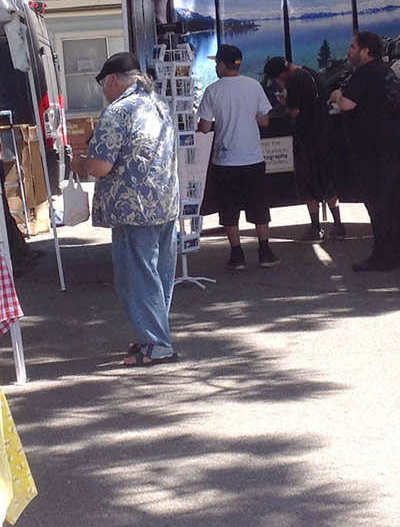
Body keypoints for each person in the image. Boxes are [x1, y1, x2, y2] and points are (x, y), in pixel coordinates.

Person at [70, 52, 180, 367]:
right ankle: (152, 336)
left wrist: (80, 164)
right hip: (164, 202)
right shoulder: (158, 105)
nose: (103, 90)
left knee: (137, 278)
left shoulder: (116, 112)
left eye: (103, 83)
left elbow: (101, 166)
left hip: (133, 207)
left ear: (114, 80)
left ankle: (156, 344)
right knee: (158, 277)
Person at [329, 31, 400, 271]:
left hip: (373, 150)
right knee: (395, 201)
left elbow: (346, 103)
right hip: (393, 145)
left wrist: (336, 94)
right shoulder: (386, 71)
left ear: (365, 51)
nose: (349, 51)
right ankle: (397, 252)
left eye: (353, 47)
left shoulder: (365, 72)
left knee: (378, 202)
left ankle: (382, 255)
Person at [197, 44, 277, 270]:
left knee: (229, 208)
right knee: (259, 205)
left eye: (216, 64)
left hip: (225, 159)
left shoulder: (213, 90)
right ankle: (265, 251)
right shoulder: (253, 86)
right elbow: (264, 120)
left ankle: (237, 255)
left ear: (222, 65)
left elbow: (204, 127)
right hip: (253, 157)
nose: (215, 67)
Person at [264, 57, 344, 242]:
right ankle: (338, 224)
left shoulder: (293, 80)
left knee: (307, 183)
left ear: (281, 75)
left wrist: (283, 102)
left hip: (306, 138)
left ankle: (315, 227)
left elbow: (294, 111)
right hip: (323, 133)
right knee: (326, 180)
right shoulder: (311, 72)